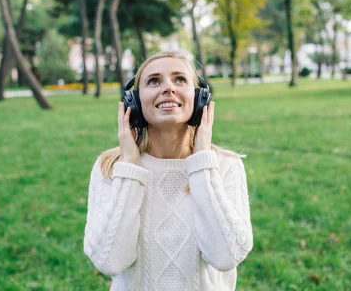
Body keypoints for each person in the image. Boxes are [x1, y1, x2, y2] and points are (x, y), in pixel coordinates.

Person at [83, 51, 253, 290]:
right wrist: (130, 166)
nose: (168, 88)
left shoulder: (225, 165)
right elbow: (109, 261)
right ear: (133, 100)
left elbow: (226, 256)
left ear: (199, 98)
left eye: (180, 79)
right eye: (154, 81)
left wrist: (202, 162)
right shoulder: (112, 167)